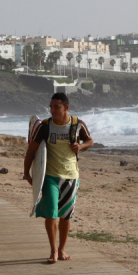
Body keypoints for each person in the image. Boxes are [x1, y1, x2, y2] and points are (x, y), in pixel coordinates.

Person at [23, 92, 93, 264]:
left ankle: (62, 249)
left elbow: (90, 141)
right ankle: (53, 250)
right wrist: (26, 173)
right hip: (50, 176)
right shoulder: (45, 126)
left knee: (66, 215)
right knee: (51, 214)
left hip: (71, 176)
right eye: (51, 107)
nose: (52, 110)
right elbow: (32, 150)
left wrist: (81, 146)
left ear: (66, 108)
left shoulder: (77, 124)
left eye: (56, 107)